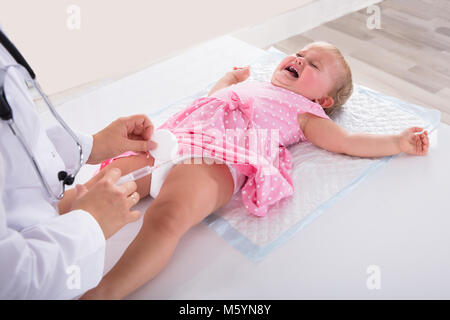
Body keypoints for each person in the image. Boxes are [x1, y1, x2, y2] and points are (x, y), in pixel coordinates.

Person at [80, 41, 429, 299]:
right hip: (180, 137)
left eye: (313, 65)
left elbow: (347, 141)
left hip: (223, 157)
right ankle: (54, 219)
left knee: (168, 215)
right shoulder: (253, 84)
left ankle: (105, 292)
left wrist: (396, 142)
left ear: (323, 100)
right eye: (301, 54)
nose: (299, 59)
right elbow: (211, 100)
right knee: (103, 183)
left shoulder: (305, 112)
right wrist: (229, 79)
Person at [0, 29, 157, 299]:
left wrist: (90, 146)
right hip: (33, 263)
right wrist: (91, 223)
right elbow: (11, 280)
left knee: (110, 185)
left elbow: (15, 146)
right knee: (168, 218)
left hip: (30, 223)